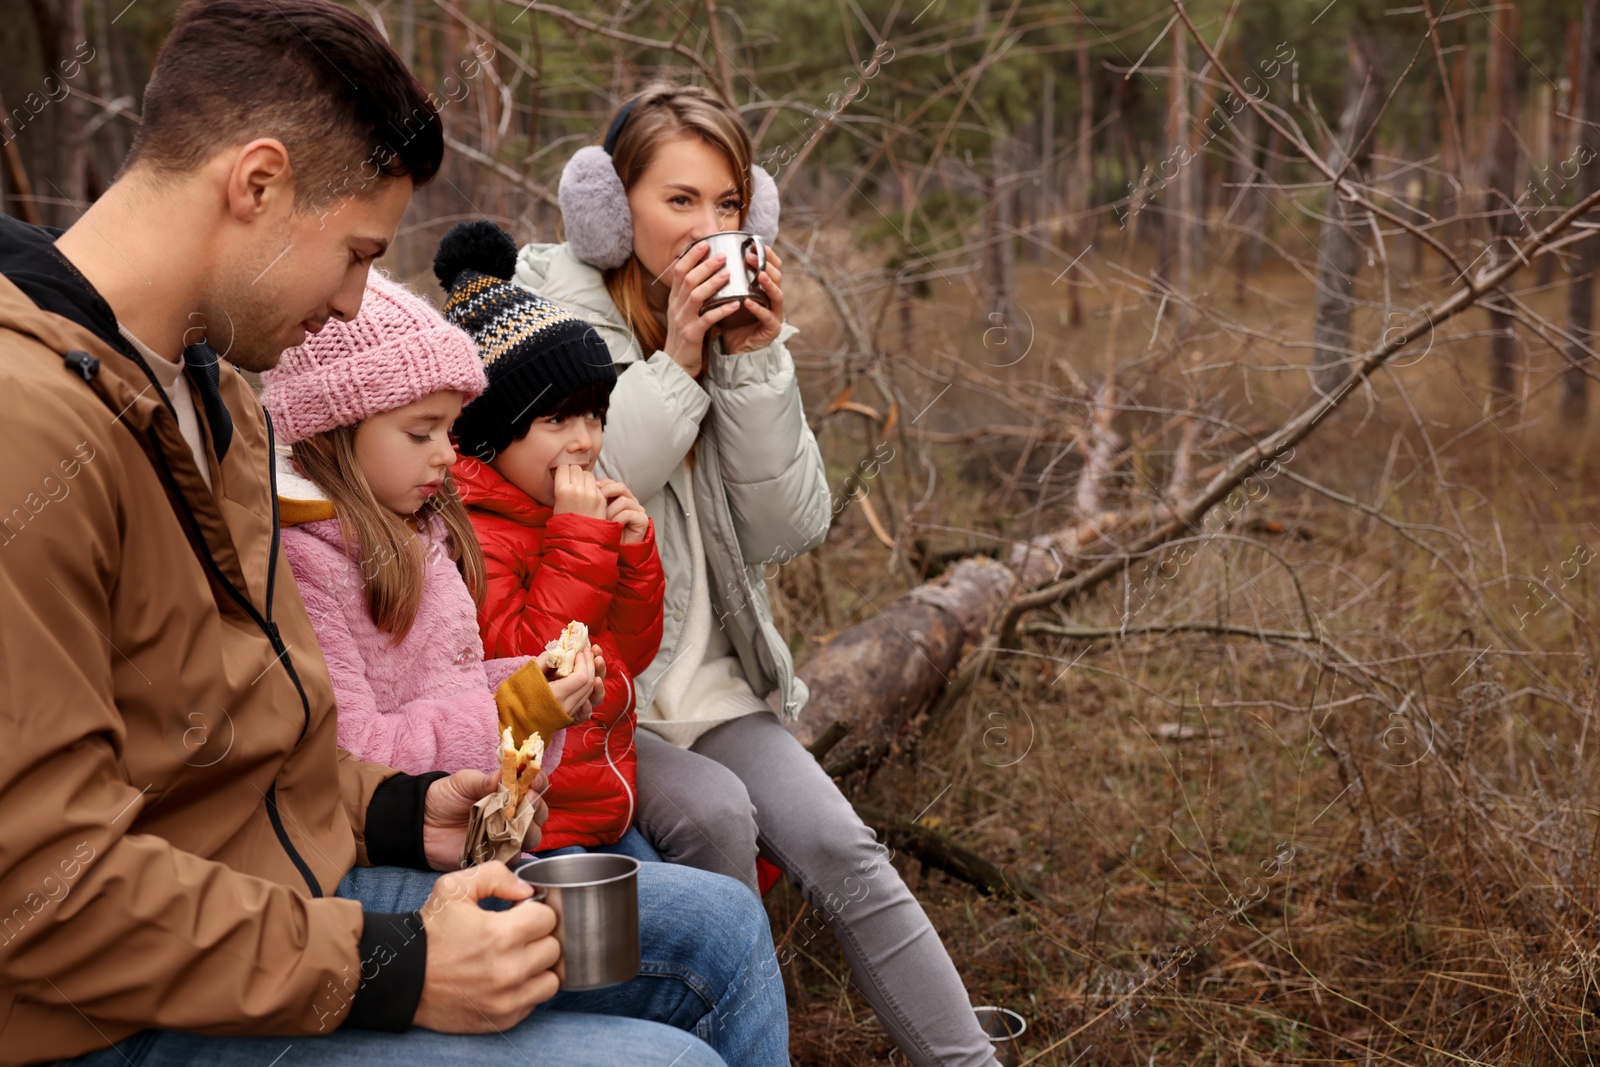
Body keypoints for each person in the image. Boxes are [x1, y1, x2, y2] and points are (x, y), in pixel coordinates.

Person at [0, 5, 787, 1065]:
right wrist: (397, 962)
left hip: (287, 889)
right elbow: (39, 895)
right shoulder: (29, 429)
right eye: (358, 253)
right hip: (111, 1005)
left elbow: (250, 746)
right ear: (258, 183)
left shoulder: (212, 396)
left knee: (726, 934)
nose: (355, 300)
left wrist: (399, 810)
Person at [512, 82, 1001, 1066]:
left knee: (843, 847)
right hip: (602, 696)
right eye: (680, 200)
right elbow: (589, 486)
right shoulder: (547, 323)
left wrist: (754, 361)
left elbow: (790, 524)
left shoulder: (731, 331)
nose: (709, 226)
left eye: (728, 205)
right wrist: (679, 356)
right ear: (613, 208)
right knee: (719, 816)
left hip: (718, 689)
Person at [265, 270, 598, 783]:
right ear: (333, 431)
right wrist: (512, 713)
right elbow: (356, 755)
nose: (448, 454)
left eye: (450, 428)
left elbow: (442, 692)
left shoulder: (417, 529)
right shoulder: (301, 566)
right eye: (422, 433)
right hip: (378, 850)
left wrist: (537, 685)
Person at [432, 221, 664, 856]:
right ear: (489, 435)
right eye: (556, 419)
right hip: (536, 820)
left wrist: (634, 554)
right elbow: (536, 667)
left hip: (604, 797)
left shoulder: (557, 512)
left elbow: (632, 654)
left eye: (594, 414)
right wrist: (583, 544)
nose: (585, 440)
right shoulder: (471, 537)